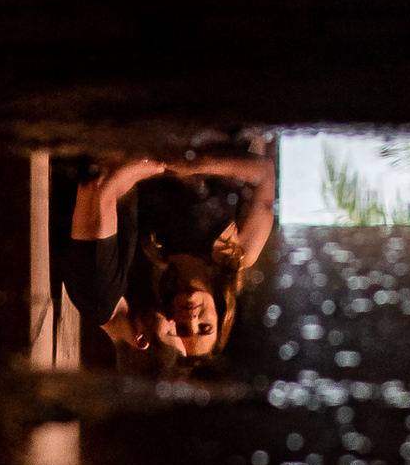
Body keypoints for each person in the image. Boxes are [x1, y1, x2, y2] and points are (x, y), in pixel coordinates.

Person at [140, 152, 276, 356]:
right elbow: (265, 173)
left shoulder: (149, 257)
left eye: (182, 329)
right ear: (220, 318)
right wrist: (200, 165)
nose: (192, 318)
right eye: (205, 327)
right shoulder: (240, 253)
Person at [63, 155, 187, 372]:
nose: (173, 322)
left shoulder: (99, 293)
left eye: (171, 333)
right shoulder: (115, 299)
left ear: (140, 341)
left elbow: (100, 188)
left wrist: (159, 164)